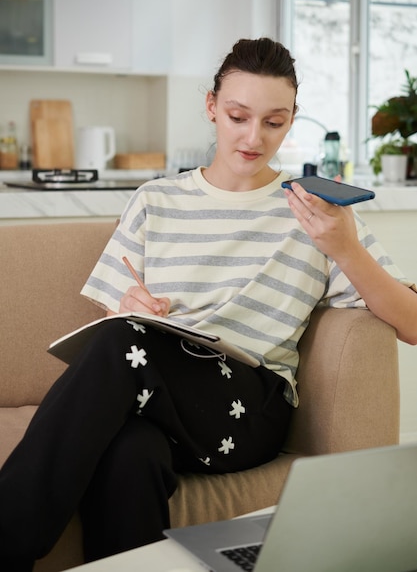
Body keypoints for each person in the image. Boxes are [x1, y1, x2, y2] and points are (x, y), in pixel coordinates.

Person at [1, 38, 416, 572]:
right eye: (239, 116)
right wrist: (131, 306)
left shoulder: (316, 212)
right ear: (212, 107)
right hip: (164, 401)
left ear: (292, 121)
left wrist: (345, 248)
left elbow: (410, 324)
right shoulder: (156, 200)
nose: (253, 137)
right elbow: (117, 323)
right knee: (131, 453)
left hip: (250, 408)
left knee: (124, 345)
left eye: (274, 121)